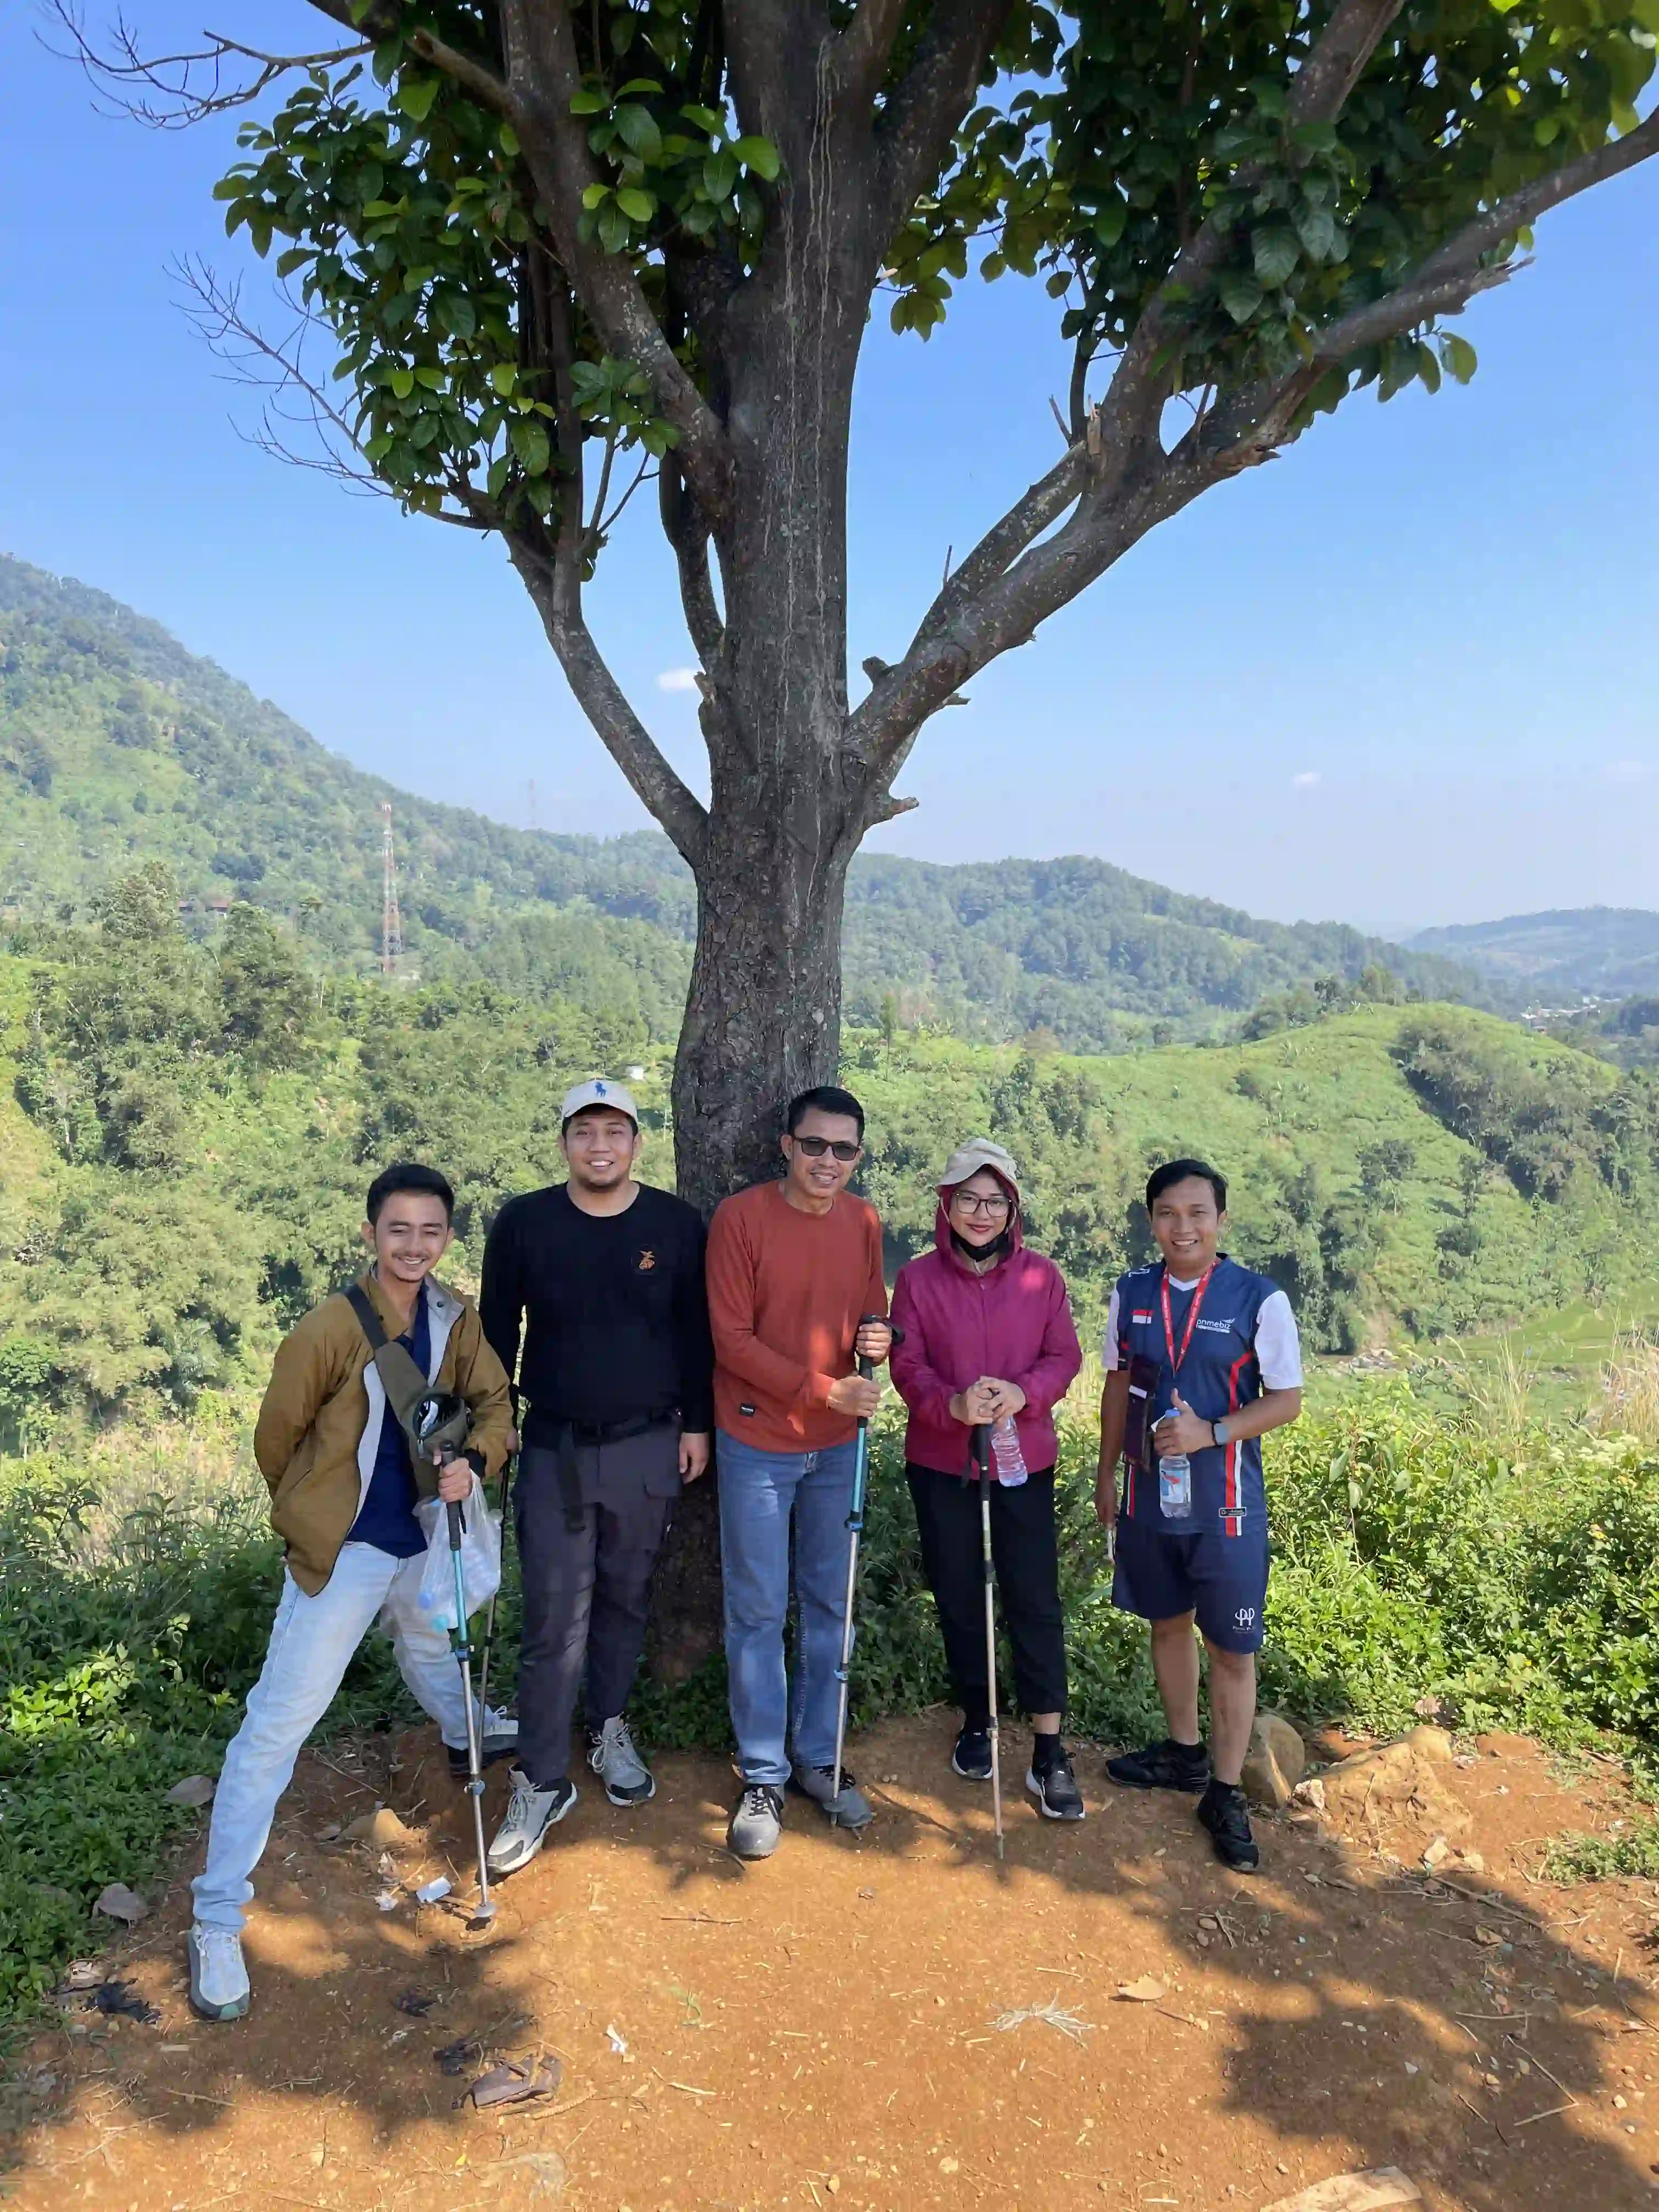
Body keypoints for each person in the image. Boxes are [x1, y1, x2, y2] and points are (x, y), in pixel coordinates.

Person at [188, 1163, 515, 2022]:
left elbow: (494, 1404)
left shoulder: (455, 1319)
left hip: (421, 1531)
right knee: (278, 1725)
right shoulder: (330, 1327)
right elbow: (278, 1435)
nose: (415, 1246)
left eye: (431, 1231)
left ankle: (465, 1729)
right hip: (346, 1553)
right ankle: (216, 1918)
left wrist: (476, 1462)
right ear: (370, 1234)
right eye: (398, 1230)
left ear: (448, 1238)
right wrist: (307, 1515)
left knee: (431, 1643)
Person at [478, 1079, 714, 1875]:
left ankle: (608, 1724)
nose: (601, 1146)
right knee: (552, 1616)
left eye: (615, 1131)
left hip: (650, 1442)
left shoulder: (676, 1225)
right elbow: (493, 1330)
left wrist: (700, 1423)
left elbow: (695, 1331)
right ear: (565, 1143)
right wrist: (494, 1420)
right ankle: (542, 1778)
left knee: (626, 1596)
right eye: (586, 1132)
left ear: (637, 1143)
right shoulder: (524, 1223)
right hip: (552, 1446)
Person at [1096, 1158, 1304, 1871]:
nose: (1182, 1228)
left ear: (1221, 1219)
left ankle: (1224, 1790)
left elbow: (1286, 1400)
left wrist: (1210, 1432)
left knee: (1232, 1649)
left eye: (1197, 1213)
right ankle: (1184, 1754)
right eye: (1167, 1214)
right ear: (1150, 1219)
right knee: (1166, 1624)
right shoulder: (1131, 1295)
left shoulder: (1258, 1299)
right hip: (1151, 1498)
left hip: (1227, 1506)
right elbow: (1119, 1390)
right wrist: (1106, 1480)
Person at [706, 1084, 892, 1859]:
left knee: (828, 1605)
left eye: (843, 1149)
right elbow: (732, 1341)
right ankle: (762, 1773)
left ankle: (818, 1757)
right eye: (814, 1145)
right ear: (787, 1145)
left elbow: (871, 1313)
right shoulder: (741, 1219)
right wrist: (825, 1389)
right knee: (755, 1610)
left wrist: (878, 1342)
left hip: (837, 1445)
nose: (827, 1161)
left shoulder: (864, 1221)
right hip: (757, 1441)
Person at [890, 1139, 1086, 1819]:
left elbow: (1065, 1356)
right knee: (959, 1593)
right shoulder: (916, 1281)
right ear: (947, 1205)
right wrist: (950, 1403)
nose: (981, 1212)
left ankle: (1048, 1749)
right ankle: (978, 1717)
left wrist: (1021, 1392)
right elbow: (906, 1365)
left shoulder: (1043, 1277)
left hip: (1023, 1459)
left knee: (1033, 1597)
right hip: (942, 1460)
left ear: (1013, 1210)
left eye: (994, 1200)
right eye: (968, 1198)